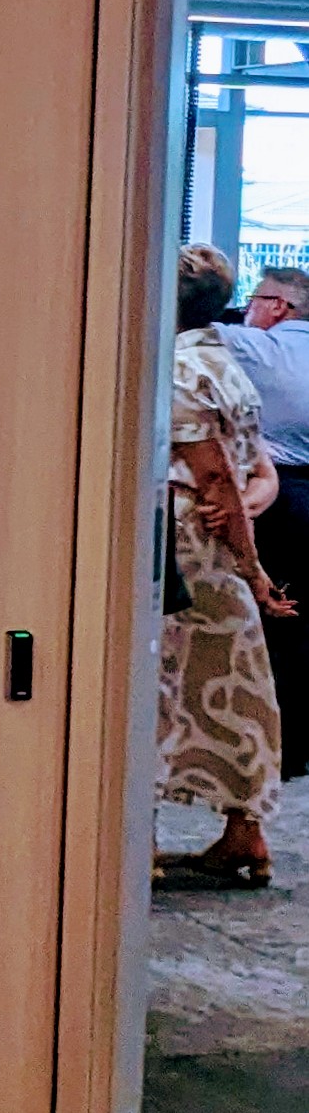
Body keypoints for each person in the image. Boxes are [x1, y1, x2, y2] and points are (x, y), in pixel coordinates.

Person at [158, 246, 295, 887]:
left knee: (162, 684)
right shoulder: (224, 364)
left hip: (182, 545)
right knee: (232, 682)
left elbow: (213, 476)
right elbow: (251, 469)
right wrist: (247, 551)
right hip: (214, 546)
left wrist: (254, 567)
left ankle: (136, 836)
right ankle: (245, 830)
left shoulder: (178, 368)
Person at [224, 263, 309, 775]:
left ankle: (280, 748)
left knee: (278, 615)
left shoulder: (257, 347)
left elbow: (188, 324)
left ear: (278, 306)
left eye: (254, 300)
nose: (247, 309)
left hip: (285, 497)